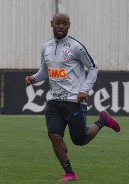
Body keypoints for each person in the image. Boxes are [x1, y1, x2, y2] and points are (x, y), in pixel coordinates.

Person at [25, 13, 120, 182]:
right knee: (54, 135)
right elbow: (44, 71)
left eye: (65, 23)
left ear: (69, 26)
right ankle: (69, 173)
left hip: (74, 101)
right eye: (58, 23)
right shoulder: (46, 47)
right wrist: (34, 78)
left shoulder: (76, 47)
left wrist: (84, 90)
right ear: (51, 24)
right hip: (54, 101)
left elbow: (93, 67)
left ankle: (103, 121)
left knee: (80, 140)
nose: (61, 26)